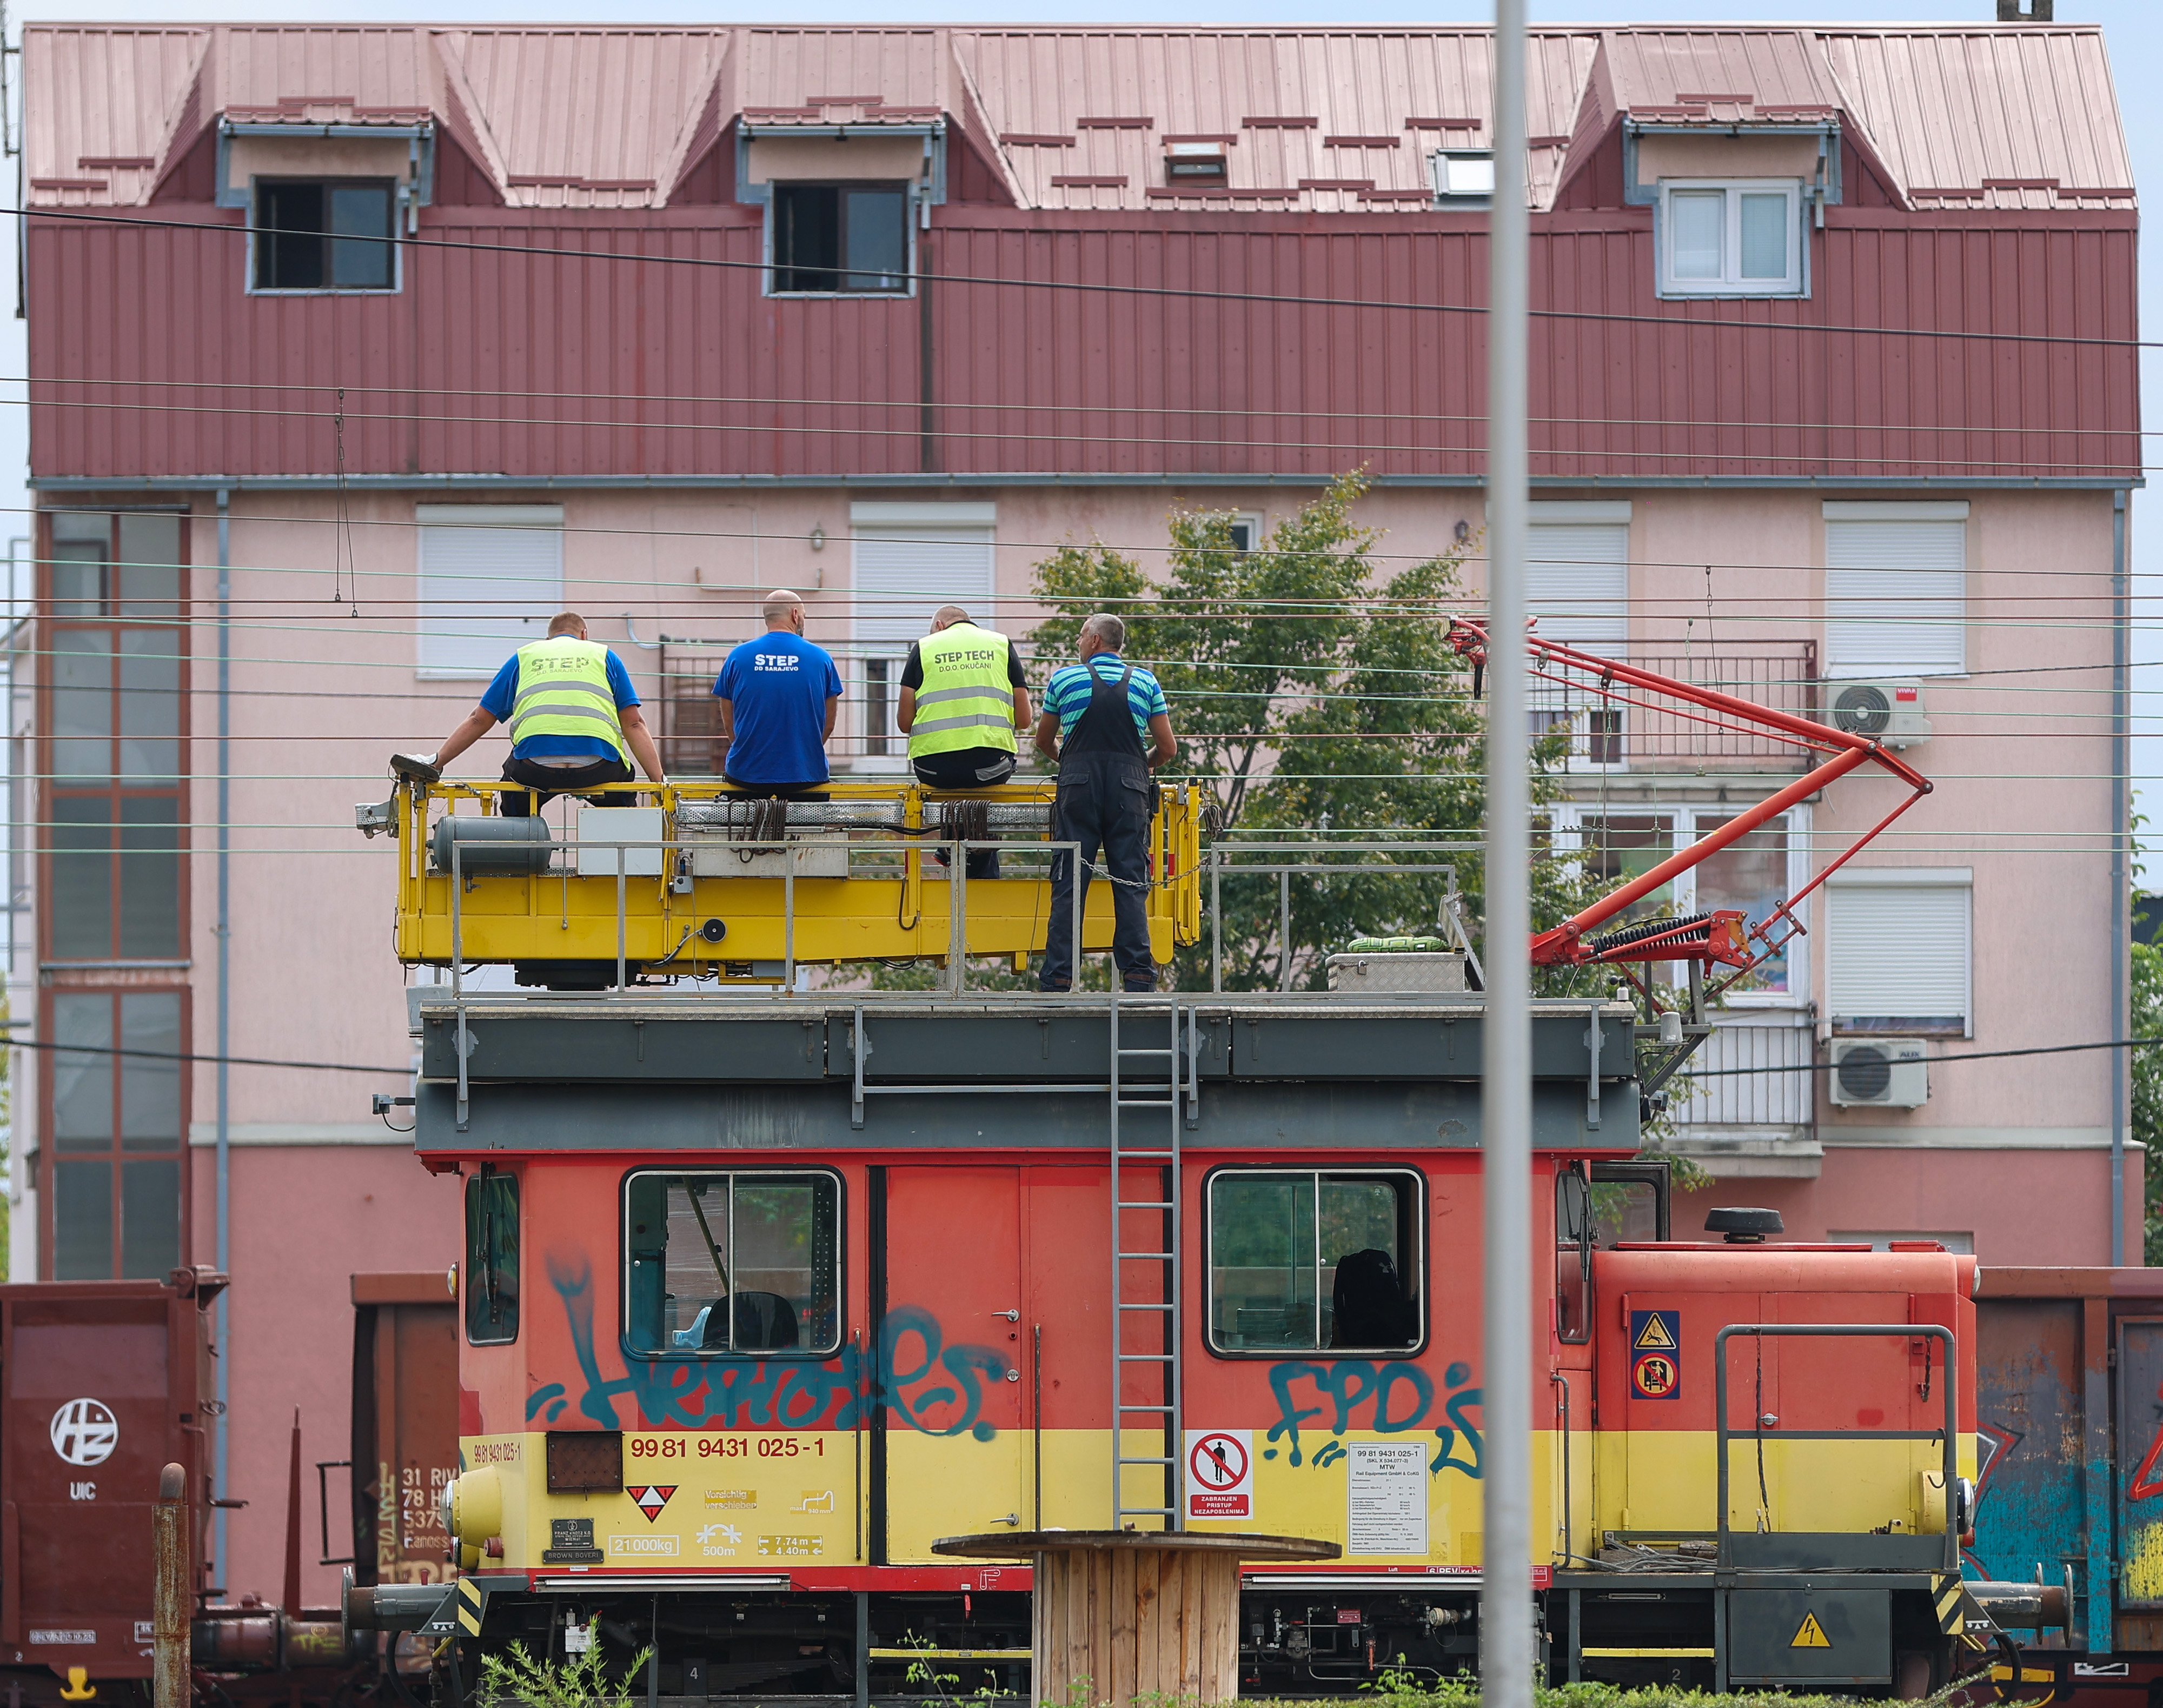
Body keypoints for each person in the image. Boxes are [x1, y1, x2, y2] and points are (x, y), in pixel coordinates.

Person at [393, 611, 665, 813]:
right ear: (585, 635)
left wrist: (437, 762)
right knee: (621, 794)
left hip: (535, 766)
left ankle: (523, 861)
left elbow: (479, 719)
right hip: (598, 766)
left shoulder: (525, 657)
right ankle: (617, 858)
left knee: (514, 796)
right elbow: (634, 725)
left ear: (548, 639)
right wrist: (660, 783)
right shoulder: (605, 656)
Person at [1033, 612, 1177, 993]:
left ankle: (1059, 976)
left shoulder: (1064, 679)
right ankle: (1139, 976)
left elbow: (1043, 740)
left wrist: (1069, 761)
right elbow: (1168, 748)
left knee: (1070, 879)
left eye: (1081, 636)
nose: (1078, 642)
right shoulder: (1146, 682)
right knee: (1131, 880)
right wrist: (1140, 766)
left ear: (1095, 640)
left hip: (1078, 788)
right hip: (1130, 790)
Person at [897, 604, 1032, 878]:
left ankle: (952, 850)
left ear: (939, 626)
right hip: (990, 768)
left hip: (933, 769)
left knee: (956, 788)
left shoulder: (924, 648)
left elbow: (904, 723)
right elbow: (1025, 719)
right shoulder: (1001, 645)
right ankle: (977, 861)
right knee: (981, 788)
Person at [714, 589, 843, 796]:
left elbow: (729, 721)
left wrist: (747, 749)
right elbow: (829, 724)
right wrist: (805, 752)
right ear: (795, 615)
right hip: (806, 774)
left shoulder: (737, 657)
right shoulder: (821, 659)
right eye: (804, 615)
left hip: (746, 775)